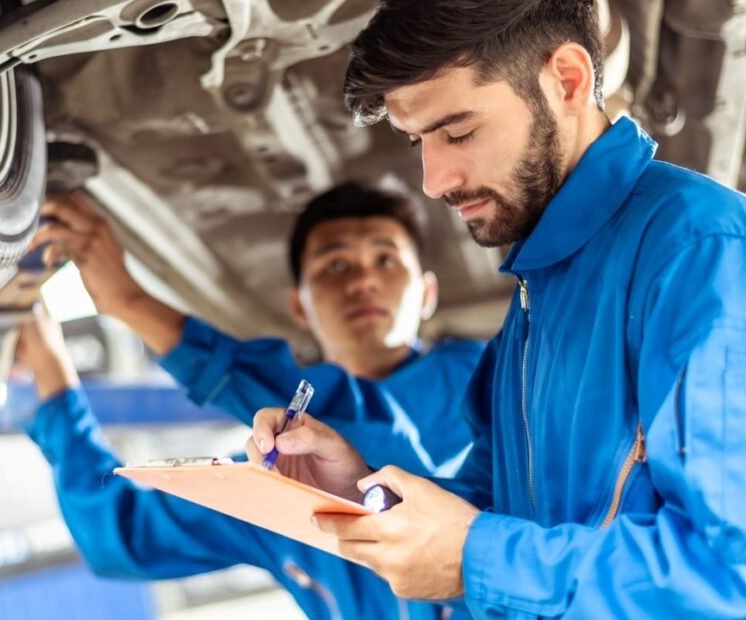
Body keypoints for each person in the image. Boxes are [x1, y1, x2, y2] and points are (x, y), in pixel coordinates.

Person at [248, 1, 746, 616]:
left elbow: (727, 575)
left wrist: (474, 559)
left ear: (566, 79)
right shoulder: (538, 289)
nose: (434, 179)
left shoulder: (700, 250)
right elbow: (500, 509)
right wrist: (357, 489)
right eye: (418, 140)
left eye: (458, 132)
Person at [18, 181, 485, 618]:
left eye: (385, 260)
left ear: (426, 293)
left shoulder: (486, 381)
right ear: (299, 305)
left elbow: (359, 432)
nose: (362, 281)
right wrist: (53, 377)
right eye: (336, 265)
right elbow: (123, 539)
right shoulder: (277, 480)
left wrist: (130, 302)